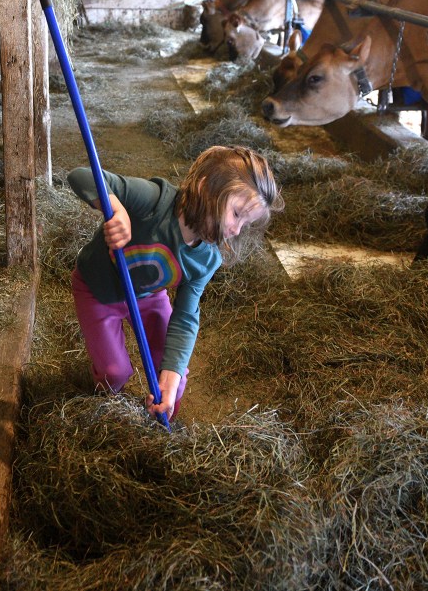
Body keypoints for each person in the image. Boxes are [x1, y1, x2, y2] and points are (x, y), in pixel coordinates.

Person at [68, 145, 282, 420]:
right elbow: (81, 175)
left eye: (245, 224)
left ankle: (165, 420)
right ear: (207, 188)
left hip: (148, 297)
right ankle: (105, 406)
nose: (235, 230)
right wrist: (116, 210)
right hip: (97, 291)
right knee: (114, 371)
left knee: (173, 377)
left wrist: (171, 376)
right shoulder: (155, 202)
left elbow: (185, 317)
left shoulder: (206, 258)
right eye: (237, 214)